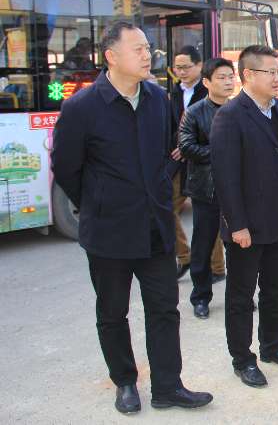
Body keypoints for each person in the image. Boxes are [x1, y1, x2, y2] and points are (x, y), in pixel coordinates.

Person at [52, 21, 213, 414]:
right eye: (138, 49)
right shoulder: (81, 107)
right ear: (112, 56)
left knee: (165, 309)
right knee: (112, 312)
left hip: (155, 227)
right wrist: (99, 202)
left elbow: (171, 152)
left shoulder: (158, 98)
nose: (148, 55)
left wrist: (159, 185)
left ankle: (168, 386)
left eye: (147, 48)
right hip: (108, 231)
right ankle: (125, 381)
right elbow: (67, 168)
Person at [211, 45, 278, 388]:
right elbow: (225, 177)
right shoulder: (230, 115)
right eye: (272, 72)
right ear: (249, 75)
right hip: (246, 226)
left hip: (277, 218)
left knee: (275, 287)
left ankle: (272, 346)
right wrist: (237, 224)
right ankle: (242, 359)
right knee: (241, 296)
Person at [178, 58, 236, 319]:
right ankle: (201, 296)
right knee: (203, 245)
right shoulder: (195, 112)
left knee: (239, 246)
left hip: (236, 191)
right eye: (221, 77)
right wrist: (221, 152)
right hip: (207, 190)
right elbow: (186, 146)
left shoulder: (240, 109)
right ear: (207, 82)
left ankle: (239, 295)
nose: (228, 82)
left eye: (230, 77)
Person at [169, 46, 225, 282]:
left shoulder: (209, 92)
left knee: (210, 218)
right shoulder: (174, 91)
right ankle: (184, 256)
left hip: (204, 164)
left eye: (186, 67)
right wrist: (180, 145)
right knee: (165, 208)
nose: (181, 71)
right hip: (178, 162)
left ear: (199, 66)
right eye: (177, 67)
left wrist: (188, 147)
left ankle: (217, 267)